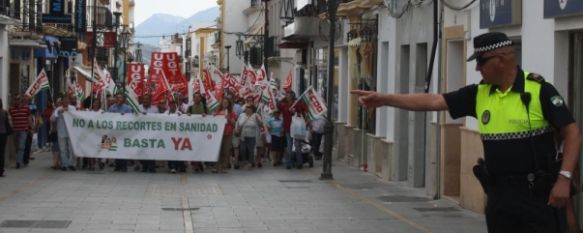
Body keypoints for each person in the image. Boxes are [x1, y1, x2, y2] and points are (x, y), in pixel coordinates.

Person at [352, 32, 582, 233]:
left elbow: (572, 133)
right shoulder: (479, 94)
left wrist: (564, 178)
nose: (477, 68)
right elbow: (433, 101)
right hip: (499, 196)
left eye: (481, 62)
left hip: (537, 195)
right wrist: (385, 99)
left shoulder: (539, 90)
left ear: (500, 60)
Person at [50, 96, 77, 171]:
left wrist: (69, 112)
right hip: (61, 132)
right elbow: (52, 119)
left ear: (69, 101)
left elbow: (76, 117)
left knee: (71, 149)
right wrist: (58, 112)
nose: (66, 101)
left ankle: (72, 164)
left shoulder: (73, 108)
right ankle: (64, 164)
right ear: (62, 101)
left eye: (67, 100)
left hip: (71, 132)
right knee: (63, 149)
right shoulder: (58, 109)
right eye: (64, 100)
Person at [108, 93, 133, 172]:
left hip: (124, 132)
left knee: (123, 149)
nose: (118, 99)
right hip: (115, 132)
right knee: (116, 148)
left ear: (124, 99)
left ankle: (123, 166)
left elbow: (130, 119)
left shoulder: (128, 108)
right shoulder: (112, 108)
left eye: (120, 98)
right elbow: (108, 117)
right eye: (117, 98)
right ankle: (117, 165)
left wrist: (124, 116)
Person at [235, 105, 262, 169]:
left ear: (252, 109)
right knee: (242, 149)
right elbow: (238, 123)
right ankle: (244, 161)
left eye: (249, 108)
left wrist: (258, 120)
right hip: (243, 135)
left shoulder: (256, 115)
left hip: (252, 135)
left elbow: (260, 124)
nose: (248, 110)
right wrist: (236, 130)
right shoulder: (242, 115)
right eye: (247, 108)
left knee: (251, 150)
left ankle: (250, 162)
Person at [9, 95, 32, 169]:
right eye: (15, 99)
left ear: (20, 100)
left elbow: (29, 117)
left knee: (21, 146)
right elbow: (10, 118)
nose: (17, 101)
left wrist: (30, 127)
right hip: (15, 130)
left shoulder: (26, 108)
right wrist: (11, 126)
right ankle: (19, 159)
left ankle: (18, 162)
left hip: (23, 130)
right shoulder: (11, 109)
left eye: (18, 99)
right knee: (17, 147)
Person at [214, 98, 236, 173]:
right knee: (218, 151)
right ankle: (217, 167)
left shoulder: (232, 113)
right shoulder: (218, 111)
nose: (225, 103)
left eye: (226, 102)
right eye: (224, 102)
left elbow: (233, 123)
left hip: (227, 134)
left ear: (229, 104)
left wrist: (228, 118)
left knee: (226, 151)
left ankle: (223, 167)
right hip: (218, 134)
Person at [186, 93, 207, 172]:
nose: (197, 99)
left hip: (202, 132)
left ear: (200, 99)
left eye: (198, 97)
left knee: (200, 148)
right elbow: (185, 118)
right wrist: (187, 115)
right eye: (195, 97)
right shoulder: (190, 108)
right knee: (193, 148)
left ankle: (199, 163)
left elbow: (211, 117)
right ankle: (195, 165)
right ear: (193, 98)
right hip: (192, 133)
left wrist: (206, 115)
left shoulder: (204, 107)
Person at [138, 94, 158, 173]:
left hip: (151, 133)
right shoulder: (138, 108)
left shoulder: (155, 109)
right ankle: (144, 165)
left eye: (147, 99)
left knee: (151, 150)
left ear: (150, 100)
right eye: (144, 99)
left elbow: (159, 120)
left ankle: (151, 166)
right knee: (141, 150)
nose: (145, 100)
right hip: (140, 133)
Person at [0, 98, 10, 177]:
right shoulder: (4, 112)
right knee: (2, 152)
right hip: (3, 134)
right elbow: (7, 122)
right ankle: (1, 170)